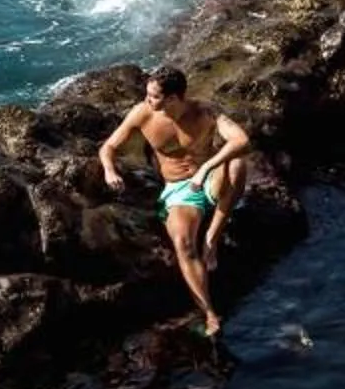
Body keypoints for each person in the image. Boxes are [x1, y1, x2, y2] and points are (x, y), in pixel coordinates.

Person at [98, 66, 252, 336]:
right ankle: (209, 312)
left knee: (237, 163)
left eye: (154, 96)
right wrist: (110, 170)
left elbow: (241, 140)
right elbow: (108, 147)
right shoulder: (142, 114)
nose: (147, 100)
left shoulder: (204, 111)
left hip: (209, 179)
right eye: (147, 95)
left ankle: (213, 237)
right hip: (179, 190)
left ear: (173, 99)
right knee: (182, 242)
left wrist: (206, 168)